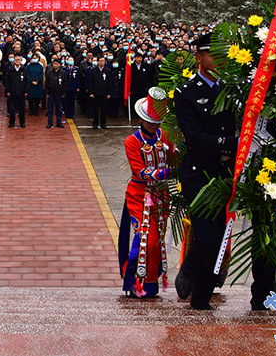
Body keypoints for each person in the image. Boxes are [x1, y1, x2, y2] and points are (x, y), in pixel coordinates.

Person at [173, 32, 238, 310]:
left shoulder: (233, 90)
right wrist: (232, 143)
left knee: (218, 240)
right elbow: (195, 138)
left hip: (225, 174)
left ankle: (201, 300)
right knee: (206, 237)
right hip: (199, 174)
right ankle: (188, 268)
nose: (220, 60)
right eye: (213, 54)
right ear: (199, 57)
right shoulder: (187, 93)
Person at [119, 87, 173, 297]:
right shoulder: (132, 141)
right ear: (141, 120)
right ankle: (133, 281)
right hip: (139, 196)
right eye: (150, 121)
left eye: (157, 122)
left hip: (162, 196)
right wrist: (170, 171)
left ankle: (150, 285)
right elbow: (140, 172)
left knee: (156, 241)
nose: (154, 125)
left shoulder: (166, 135)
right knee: (144, 240)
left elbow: (174, 157)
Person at [5, 54, 29, 128]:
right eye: (16, 60)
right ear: (14, 61)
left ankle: (22, 122)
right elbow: (7, 81)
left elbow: (27, 81)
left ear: (21, 61)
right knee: (12, 108)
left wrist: (26, 91)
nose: (17, 61)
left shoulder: (24, 69)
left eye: (19, 60)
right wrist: (8, 91)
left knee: (22, 109)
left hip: (21, 92)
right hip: (12, 92)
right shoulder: (10, 69)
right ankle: (11, 122)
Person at [89, 55, 111, 129]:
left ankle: (103, 123)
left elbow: (110, 82)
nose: (102, 62)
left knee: (104, 109)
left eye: (103, 61)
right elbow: (90, 82)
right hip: (95, 93)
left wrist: (109, 93)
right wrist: (91, 92)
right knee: (95, 109)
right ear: (97, 62)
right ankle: (95, 123)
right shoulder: (93, 71)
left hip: (104, 93)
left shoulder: (107, 70)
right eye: (101, 61)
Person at [44, 57, 67, 128]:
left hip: (59, 94)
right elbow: (46, 83)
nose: (55, 65)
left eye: (56, 64)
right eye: (54, 64)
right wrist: (47, 93)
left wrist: (64, 93)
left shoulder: (63, 73)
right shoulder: (49, 73)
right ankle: (50, 122)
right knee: (50, 109)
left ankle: (59, 122)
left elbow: (65, 84)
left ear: (59, 64)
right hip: (51, 93)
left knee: (59, 109)